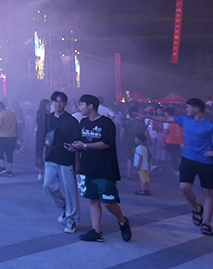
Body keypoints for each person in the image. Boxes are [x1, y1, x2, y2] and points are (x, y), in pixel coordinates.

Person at [141, 98, 213, 235]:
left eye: (188, 107)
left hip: (205, 162)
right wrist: (147, 116)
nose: (186, 110)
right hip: (188, 159)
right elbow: (165, 119)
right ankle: (197, 208)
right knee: (184, 187)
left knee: (207, 192)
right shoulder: (185, 119)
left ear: (196, 109)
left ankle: (206, 222)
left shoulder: (211, 126)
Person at [71, 94, 132, 243]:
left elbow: (106, 143)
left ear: (90, 106)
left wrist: (85, 145)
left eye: (81, 104)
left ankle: (123, 221)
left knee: (108, 202)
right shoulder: (83, 122)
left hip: (105, 168)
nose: (79, 108)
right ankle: (96, 232)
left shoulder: (106, 123)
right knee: (93, 199)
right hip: (88, 167)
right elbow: (79, 142)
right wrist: (75, 150)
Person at [43, 91, 81, 234]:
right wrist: (44, 153)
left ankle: (72, 219)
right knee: (48, 185)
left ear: (65, 103)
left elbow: (76, 143)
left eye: (61, 101)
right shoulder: (48, 118)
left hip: (66, 159)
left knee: (70, 190)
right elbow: (45, 137)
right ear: (52, 102)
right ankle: (65, 207)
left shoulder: (71, 121)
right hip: (51, 157)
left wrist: (77, 163)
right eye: (55, 101)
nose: (58, 104)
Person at [120, 106, 147, 179]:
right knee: (141, 156)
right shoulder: (140, 122)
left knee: (130, 158)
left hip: (128, 141)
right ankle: (142, 174)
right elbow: (146, 132)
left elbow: (122, 132)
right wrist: (149, 140)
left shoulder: (125, 121)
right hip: (140, 141)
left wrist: (121, 139)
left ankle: (129, 174)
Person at [35, 98, 51, 180]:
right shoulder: (47, 115)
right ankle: (44, 171)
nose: (50, 107)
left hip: (39, 135)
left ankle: (40, 172)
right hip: (45, 135)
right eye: (48, 105)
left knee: (39, 152)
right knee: (45, 152)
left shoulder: (38, 114)